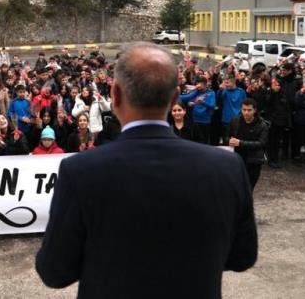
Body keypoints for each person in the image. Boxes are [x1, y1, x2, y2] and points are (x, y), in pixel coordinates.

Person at [36, 42, 257, 297]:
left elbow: (54, 271)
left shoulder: (81, 171)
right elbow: (242, 256)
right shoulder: (227, 167)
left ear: (115, 95)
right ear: (175, 98)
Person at [227, 98, 269, 190]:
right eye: (244, 110)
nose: (246, 113)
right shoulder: (235, 120)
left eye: (249, 110)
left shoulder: (262, 125)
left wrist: (240, 143)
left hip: (253, 161)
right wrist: (229, 141)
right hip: (237, 159)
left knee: (248, 188)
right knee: (235, 188)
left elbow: (261, 143)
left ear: (254, 110)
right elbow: (227, 136)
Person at [179, 77, 216, 144]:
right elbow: (185, 98)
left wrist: (203, 103)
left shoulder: (211, 93)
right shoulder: (195, 92)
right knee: (195, 141)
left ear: (205, 84)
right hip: (195, 120)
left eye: (200, 84)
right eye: (197, 83)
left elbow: (212, 106)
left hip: (205, 121)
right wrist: (189, 104)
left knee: (204, 141)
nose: (198, 85)